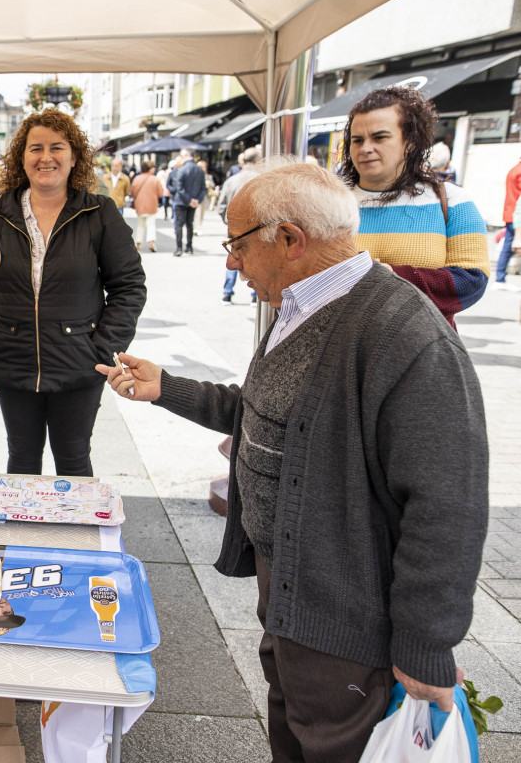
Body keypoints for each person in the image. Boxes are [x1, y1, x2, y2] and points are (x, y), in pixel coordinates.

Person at [97, 161, 488, 762]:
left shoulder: (404, 335)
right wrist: (166, 388)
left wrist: (424, 644)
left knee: (333, 740)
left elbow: (447, 507)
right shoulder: (301, 304)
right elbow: (268, 414)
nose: (230, 261)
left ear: (289, 240)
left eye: (237, 244)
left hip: (346, 614)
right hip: (291, 592)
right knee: (293, 726)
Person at [0, 109, 146, 476]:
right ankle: (23, 536)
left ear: (74, 156)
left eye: (56, 147)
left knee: (74, 460)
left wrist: (101, 346)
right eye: (35, 148)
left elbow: (129, 286)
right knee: (22, 461)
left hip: (78, 365)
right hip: (13, 362)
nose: (45, 157)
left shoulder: (99, 212)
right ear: (21, 158)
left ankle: (75, 536)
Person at [341, 86, 489, 328]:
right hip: (341, 350)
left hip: (422, 349)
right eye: (357, 140)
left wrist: (390, 277)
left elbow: (471, 281)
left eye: (379, 137)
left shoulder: (453, 201)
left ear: (410, 142)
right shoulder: (329, 203)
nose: (365, 148)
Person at [216, 146, 262, 304]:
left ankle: (227, 293)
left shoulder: (231, 180)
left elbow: (220, 206)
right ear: (257, 161)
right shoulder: (263, 179)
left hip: (235, 231)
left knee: (234, 257)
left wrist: (230, 224)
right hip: (257, 231)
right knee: (257, 262)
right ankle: (255, 296)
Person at [170, 150, 207, 256]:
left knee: (179, 224)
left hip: (182, 201)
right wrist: (196, 200)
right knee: (189, 224)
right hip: (193, 201)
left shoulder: (181, 170)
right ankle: (189, 247)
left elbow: (179, 187)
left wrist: (189, 200)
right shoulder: (199, 170)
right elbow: (203, 188)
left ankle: (179, 248)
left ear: (185, 156)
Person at [496, 154, 521, 291]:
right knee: (509, 247)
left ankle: (500, 278)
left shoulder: (514, 169)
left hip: (510, 212)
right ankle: (500, 278)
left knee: (507, 247)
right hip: (517, 215)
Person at [129, 160, 160, 253]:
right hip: (152, 205)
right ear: (150, 169)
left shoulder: (137, 178)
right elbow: (161, 192)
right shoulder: (155, 179)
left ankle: (138, 243)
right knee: (151, 224)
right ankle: (151, 242)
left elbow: (133, 192)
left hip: (140, 205)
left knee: (140, 224)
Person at [107, 157, 131, 221]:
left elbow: (126, 192)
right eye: (113, 166)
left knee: (118, 226)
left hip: (119, 205)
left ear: (120, 166)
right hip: (107, 206)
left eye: (116, 166)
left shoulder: (125, 178)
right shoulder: (105, 177)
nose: (114, 168)